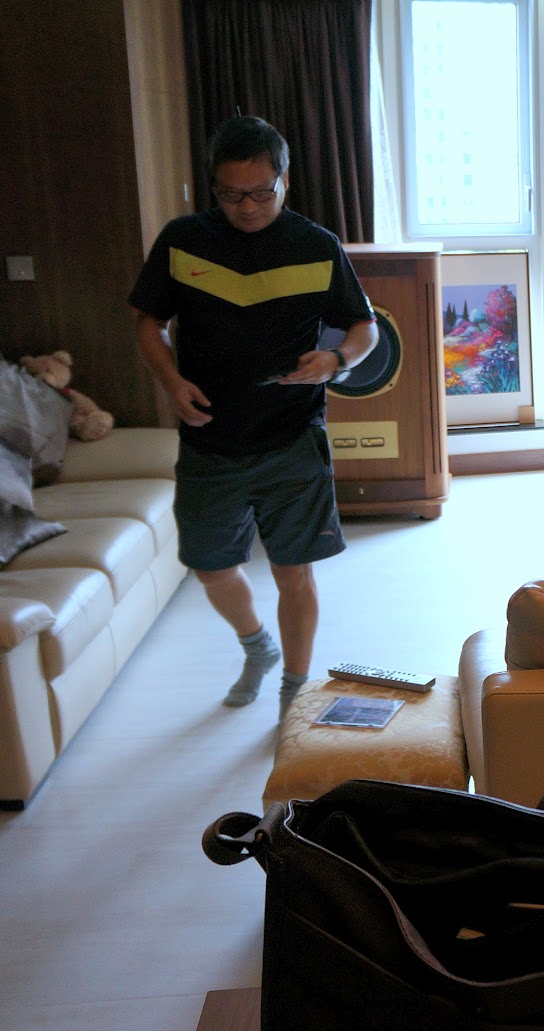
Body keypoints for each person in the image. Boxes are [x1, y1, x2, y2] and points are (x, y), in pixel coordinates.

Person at [129, 115, 378, 716]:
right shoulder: (183, 240)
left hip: (292, 436)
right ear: (213, 186)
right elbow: (148, 323)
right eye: (231, 194)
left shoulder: (316, 245)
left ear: (285, 180)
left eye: (261, 193)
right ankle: (256, 646)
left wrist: (336, 358)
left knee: (294, 573)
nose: (246, 207)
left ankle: (295, 687)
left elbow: (364, 327)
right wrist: (172, 382)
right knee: (210, 568)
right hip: (209, 436)